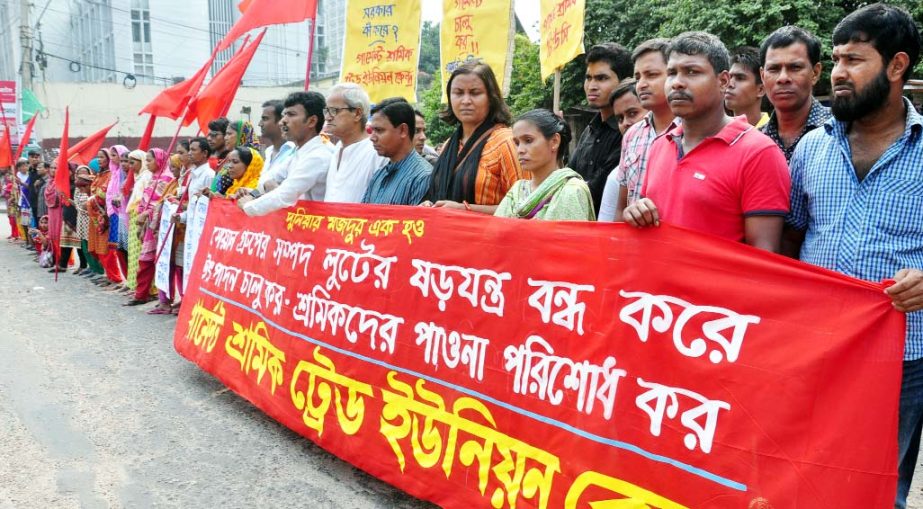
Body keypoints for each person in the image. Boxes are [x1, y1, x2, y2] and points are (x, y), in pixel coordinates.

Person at [781, 6, 922, 507]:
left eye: (854, 60)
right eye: (836, 58)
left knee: (882, 486)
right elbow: (789, 241)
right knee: (803, 474)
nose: (838, 72)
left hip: (901, 360)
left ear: (896, 65)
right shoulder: (812, 149)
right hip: (815, 346)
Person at [623, 31, 790, 252]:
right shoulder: (660, 145)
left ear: (723, 81)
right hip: (656, 286)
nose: (677, 83)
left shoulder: (758, 152)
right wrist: (635, 214)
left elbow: (763, 259)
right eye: (671, 73)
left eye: (692, 72)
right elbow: (650, 225)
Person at [425, 60, 523, 214]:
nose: (465, 101)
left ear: (491, 97)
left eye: (475, 93)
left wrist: (465, 210)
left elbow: (525, 207)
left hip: (490, 236)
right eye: (458, 93)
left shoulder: (506, 142)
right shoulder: (449, 145)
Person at [599, 38, 679, 222]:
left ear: (675, 75)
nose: (641, 84)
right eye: (637, 77)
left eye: (651, 75)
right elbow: (621, 208)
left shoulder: (693, 131)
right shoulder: (632, 135)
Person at [237, 91, 334, 216]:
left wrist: (248, 206)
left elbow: (285, 195)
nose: (282, 121)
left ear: (311, 121)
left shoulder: (319, 155)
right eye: (284, 115)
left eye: (291, 115)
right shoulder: (299, 152)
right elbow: (268, 179)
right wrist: (252, 194)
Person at [496, 109, 594, 221]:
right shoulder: (517, 191)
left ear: (554, 142)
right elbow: (496, 232)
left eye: (528, 140)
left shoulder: (571, 190)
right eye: (517, 143)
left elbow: (570, 237)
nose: (520, 150)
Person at [569, 43, 634, 213]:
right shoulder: (590, 129)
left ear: (624, 81)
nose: (591, 86)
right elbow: (568, 177)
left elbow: (594, 191)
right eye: (588, 78)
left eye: (601, 78)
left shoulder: (629, 131)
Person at [760, 26, 831, 161]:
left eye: (795, 68)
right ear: (762, 76)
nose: (783, 78)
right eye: (774, 69)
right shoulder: (754, 142)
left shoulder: (842, 129)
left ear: (815, 73)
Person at [322, 83, 387, 203]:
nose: (328, 117)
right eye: (326, 111)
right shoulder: (337, 148)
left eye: (334, 111)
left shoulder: (376, 153)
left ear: (357, 114)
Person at [127, 148, 174, 306]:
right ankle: (142, 293)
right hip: (148, 224)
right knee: (145, 260)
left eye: (149, 160)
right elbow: (145, 200)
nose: (147, 164)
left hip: (159, 225)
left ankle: (156, 297)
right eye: (146, 160)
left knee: (153, 261)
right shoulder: (154, 177)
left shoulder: (166, 179)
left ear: (159, 160)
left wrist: (146, 213)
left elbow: (160, 203)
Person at [363, 98, 433, 205]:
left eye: (379, 130)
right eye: (372, 131)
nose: (372, 137)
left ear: (403, 130)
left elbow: (417, 221)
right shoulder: (378, 175)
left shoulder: (423, 177)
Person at [124, 149, 152, 292]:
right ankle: (134, 285)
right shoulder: (139, 177)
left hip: (141, 216)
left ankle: (142, 288)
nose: (130, 165)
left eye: (132, 162)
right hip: (135, 216)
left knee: (141, 253)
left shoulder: (147, 176)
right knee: (133, 253)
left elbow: (145, 199)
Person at [173, 137, 215, 226]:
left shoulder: (209, 175)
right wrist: (181, 217)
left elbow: (209, 207)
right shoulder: (192, 175)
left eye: (193, 150)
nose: (189, 153)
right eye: (189, 150)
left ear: (204, 153)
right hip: (192, 227)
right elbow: (192, 208)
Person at [725, 46, 768, 127]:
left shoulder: (774, 135)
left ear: (761, 90)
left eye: (740, 78)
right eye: (729, 77)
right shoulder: (716, 133)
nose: (729, 84)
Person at [73, 166, 103, 277]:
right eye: (80, 173)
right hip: (82, 219)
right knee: (85, 245)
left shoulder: (94, 190)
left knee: (94, 245)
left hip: (92, 219)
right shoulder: (78, 189)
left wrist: (88, 210)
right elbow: (77, 204)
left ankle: (98, 268)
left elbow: (95, 207)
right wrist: (83, 209)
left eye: (85, 172)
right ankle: (92, 267)